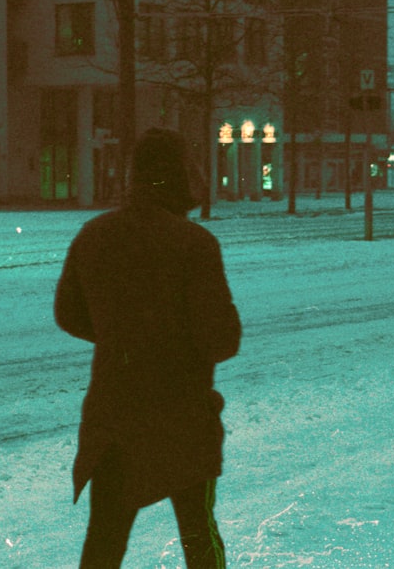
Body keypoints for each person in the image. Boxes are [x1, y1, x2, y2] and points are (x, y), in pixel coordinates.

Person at [54, 128, 242, 568]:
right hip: (181, 416)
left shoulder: (93, 235)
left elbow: (68, 313)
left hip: (114, 415)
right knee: (198, 534)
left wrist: (121, 337)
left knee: (104, 539)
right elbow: (221, 339)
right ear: (182, 177)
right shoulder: (195, 245)